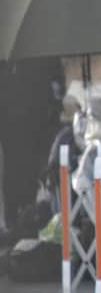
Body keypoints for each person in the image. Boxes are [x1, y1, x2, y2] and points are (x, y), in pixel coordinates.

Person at [0, 57, 65, 229]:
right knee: (18, 169)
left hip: (32, 116)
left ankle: (28, 214)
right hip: (19, 117)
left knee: (28, 169)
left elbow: (56, 80)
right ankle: (20, 216)